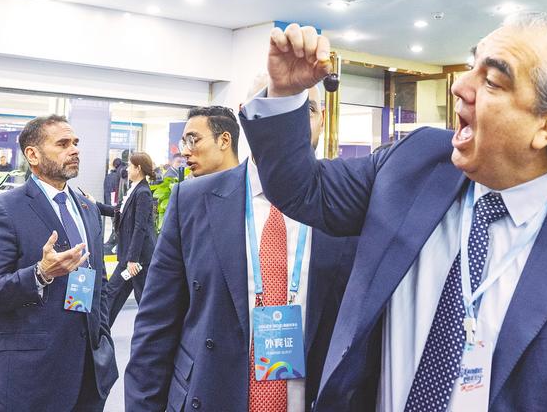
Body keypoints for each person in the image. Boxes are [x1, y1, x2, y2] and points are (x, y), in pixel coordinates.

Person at [240, 14, 547, 411]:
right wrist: (285, 92)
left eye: (492, 81)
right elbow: (303, 190)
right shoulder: (414, 162)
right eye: (471, 66)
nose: (459, 85)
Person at [124, 90, 367, 411]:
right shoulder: (192, 201)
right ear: (248, 114)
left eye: (306, 108)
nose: (291, 117)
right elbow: (156, 327)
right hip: (210, 396)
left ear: (322, 120)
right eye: (277, 102)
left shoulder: (348, 204)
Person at [0, 115, 118, 411]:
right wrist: (39, 274)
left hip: (89, 373)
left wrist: (102, 338)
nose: (74, 150)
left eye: (76, 143)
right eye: (63, 144)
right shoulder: (3, 210)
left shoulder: (87, 209)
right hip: (29, 380)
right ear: (33, 154)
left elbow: (99, 284)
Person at [87, 152, 157, 327]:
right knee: (114, 294)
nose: (127, 169)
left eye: (130, 166)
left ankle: (152, 334)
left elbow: (140, 227)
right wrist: (94, 204)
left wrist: (132, 259)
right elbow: (117, 211)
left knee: (141, 300)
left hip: (137, 260)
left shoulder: (143, 193)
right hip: (130, 257)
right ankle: (101, 331)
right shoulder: (134, 189)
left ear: (138, 168)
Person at [179, 105, 240, 177]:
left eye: (193, 141)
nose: (184, 153)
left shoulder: (251, 181)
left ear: (224, 141)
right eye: (184, 143)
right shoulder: (187, 184)